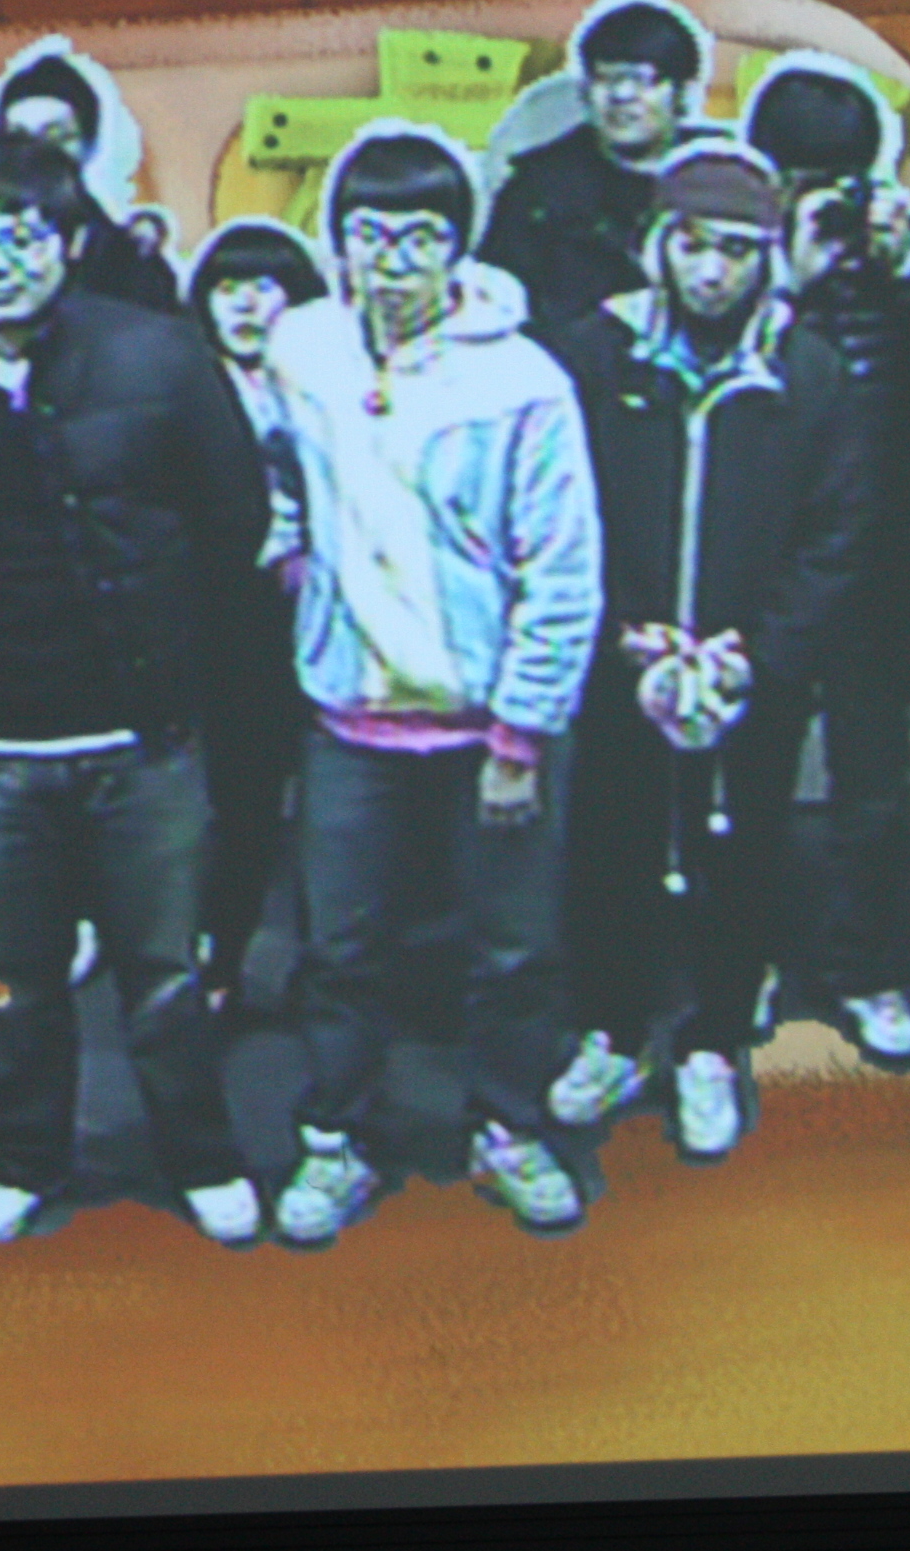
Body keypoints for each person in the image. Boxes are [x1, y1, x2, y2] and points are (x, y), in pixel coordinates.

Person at [0, 131, 269, 1255]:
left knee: (163, 975)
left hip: (143, 741)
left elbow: (235, 520)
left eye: (24, 237)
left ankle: (202, 1157)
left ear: (69, 243)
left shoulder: (159, 359)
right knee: (16, 980)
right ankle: (22, 1160)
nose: (1, 265)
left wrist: (174, 658)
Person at [258, 123, 604, 1248]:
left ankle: (510, 1127)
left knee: (513, 950)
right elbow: (276, 473)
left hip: (485, 729)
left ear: (458, 246)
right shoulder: (304, 349)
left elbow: (564, 569)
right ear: (339, 243)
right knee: (340, 950)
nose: (393, 261)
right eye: (369, 235)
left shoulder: (523, 382)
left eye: (420, 237)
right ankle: (338, 1137)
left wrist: (520, 736)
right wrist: (294, 564)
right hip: (347, 719)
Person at [548, 145, 874, 1161]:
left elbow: (837, 536)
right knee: (612, 850)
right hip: (624, 663)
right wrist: (619, 637)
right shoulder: (594, 354)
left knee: (740, 856)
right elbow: (559, 514)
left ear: (766, 259)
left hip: (749, 674)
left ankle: (711, 1041)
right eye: (692, 247)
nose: (712, 273)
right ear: (658, 245)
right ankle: (611, 1031)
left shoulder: (809, 371)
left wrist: (758, 658)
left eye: (736, 252)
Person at [744, 52, 910, 1068]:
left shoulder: (900, 246)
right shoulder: (737, 247)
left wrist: (907, 262)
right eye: (803, 178)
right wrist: (786, 277)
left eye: (841, 179)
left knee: (875, 791)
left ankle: (864, 967)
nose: (824, 200)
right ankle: (744, 959)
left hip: (885, 561)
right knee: (747, 780)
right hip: (766, 564)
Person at [184, 217, 331, 1000]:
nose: (243, 305)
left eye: (263, 286)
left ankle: (327, 964)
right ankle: (221, 959)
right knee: (238, 798)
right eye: (226, 286)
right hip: (224, 612)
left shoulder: (329, 381)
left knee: (328, 804)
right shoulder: (183, 387)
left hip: (330, 609)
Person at [477, 0, 722, 339]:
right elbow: (496, 301)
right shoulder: (539, 187)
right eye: (605, 78)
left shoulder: (722, 176)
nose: (621, 96)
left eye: (643, 80)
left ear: (682, 92)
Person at [0, 37, 183, 314]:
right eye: (19, 138)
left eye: (57, 137)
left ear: (90, 144)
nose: (36, 153)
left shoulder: (129, 260)